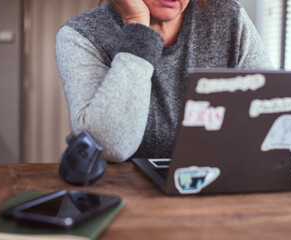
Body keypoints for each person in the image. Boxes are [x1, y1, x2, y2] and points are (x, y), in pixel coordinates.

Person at [55, 0, 273, 163]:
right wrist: (137, 25)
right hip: (106, 197)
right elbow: (111, 145)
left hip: (202, 190)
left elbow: (271, 119)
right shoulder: (80, 35)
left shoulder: (229, 19)